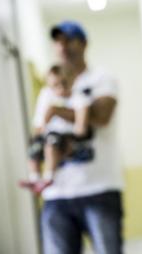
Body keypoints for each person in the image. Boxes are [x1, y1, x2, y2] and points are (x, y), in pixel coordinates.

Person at [34, 21, 124, 254]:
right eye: (57, 41)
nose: (62, 46)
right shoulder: (47, 91)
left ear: (83, 43)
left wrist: (55, 111)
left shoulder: (102, 79)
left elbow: (101, 116)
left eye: (69, 40)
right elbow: (38, 132)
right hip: (55, 195)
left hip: (99, 190)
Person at [20, 64, 93, 194]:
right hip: (49, 134)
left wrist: (78, 134)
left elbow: (81, 126)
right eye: (55, 85)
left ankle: (48, 177)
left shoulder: (79, 98)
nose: (61, 88)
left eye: (64, 83)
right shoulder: (47, 96)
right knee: (34, 147)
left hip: (65, 135)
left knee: (51, 143)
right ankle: (34, 178)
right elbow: (40, 123)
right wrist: (38, 134)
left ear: (72, 80)